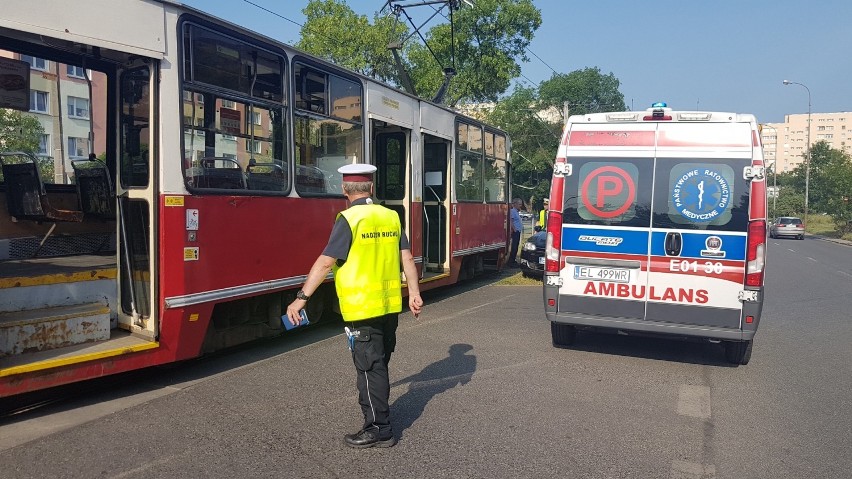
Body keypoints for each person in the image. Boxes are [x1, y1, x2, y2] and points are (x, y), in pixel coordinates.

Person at [285, 163, 423, 449]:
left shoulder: (349, 219)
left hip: (362, 310)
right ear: (371, 188)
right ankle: (379, 420)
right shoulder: (391, 216)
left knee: (370, 369)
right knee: (379, 365)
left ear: (345, 190)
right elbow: (407, 259)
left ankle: (379, 430)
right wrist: (414, 294)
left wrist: (302, 298)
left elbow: (325, 262)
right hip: (389, 307)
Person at [507, 197, 523, 267]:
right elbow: (511, 221)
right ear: (515, 204)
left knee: (516, 246)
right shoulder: (513, 211)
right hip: (515, 232)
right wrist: (514, 229)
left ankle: (513, 260)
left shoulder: (516, 211)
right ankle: (511, 261)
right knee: (514, 247)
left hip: (517, 231)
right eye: (519, 204)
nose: (520, 206)